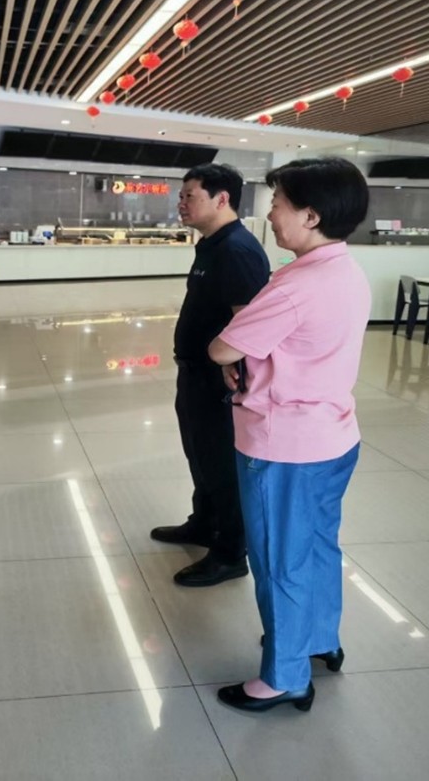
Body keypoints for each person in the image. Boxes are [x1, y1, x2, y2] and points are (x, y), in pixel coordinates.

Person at [208, 157, 371, 713]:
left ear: (311, 215)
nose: (271, 215)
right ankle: (318, 639)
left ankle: (284, 676)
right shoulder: (346, 271)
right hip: (334, 435)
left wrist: (236, 356)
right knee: (318, 545)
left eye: (277, 204)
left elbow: (222, 348)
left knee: (279, 559)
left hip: (284, 445)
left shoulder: (296, 284)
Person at [151, 163, 270, 586]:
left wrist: (233, 371)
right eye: (181, 196)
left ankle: (230, 552)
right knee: (199, 455)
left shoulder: (236, 250)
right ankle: (204, 522)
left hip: (219, 380)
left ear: (222, 199)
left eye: (190, 196)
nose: (181, 204)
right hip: (196, 373)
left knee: (220, 464)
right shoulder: (212, 244)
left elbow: (250, 323)